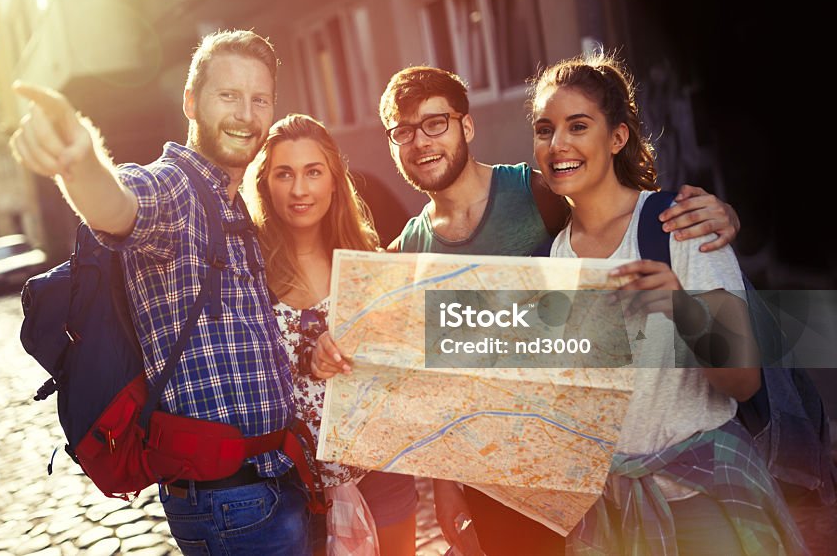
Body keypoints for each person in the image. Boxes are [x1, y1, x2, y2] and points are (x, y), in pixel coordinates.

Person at [311, 65, 744, 555]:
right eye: (403, 131)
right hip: (514, 476)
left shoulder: (540, 195)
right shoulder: (410, 249)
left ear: (466, 126)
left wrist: (720, 217)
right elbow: (421, 370)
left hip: (613, 471)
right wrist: (447, 482)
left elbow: (616, 211)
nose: (421, 141)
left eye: (436, 123)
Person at [9, 30, 310, 555]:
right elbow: (119, 205)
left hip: (268, 484)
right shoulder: (175, 189)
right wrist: (78, 163)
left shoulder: (235, 205)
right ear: (191, 102)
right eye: (228, 96)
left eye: (258, 99)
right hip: (229, 501)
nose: (245, 113)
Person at [530, 51, 805, 555]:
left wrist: (682, 307)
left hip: (704, 503)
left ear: (617, 138)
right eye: (544, 129)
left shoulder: (679, 224)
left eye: (578, 126)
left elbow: (742, 379)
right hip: (612, 514)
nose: (558, 144)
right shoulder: (554, 256)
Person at [245, 113, 383, 555]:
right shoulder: (245, 274)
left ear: (334, 181)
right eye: (284, 173)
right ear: (265, 183)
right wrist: (305, 360)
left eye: (313, 172)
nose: (300, 189)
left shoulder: (369, 263)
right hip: (288, 500)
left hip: (381, 480)